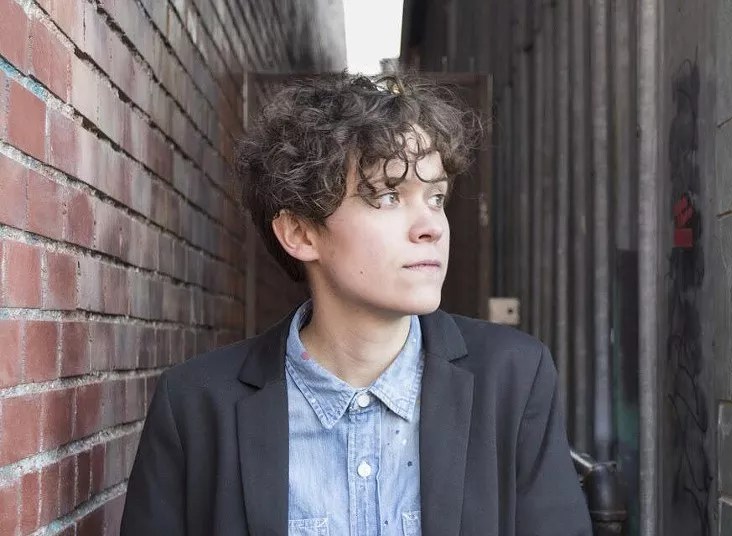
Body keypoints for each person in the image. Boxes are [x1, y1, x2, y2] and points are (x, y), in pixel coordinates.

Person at [120, 73, 591, 536]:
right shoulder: (196, 406)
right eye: (388, 196)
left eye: (436, 197)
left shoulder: (513, 378)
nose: (431, 227)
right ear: (301, 233)